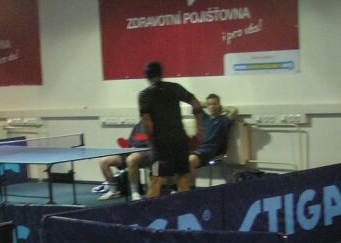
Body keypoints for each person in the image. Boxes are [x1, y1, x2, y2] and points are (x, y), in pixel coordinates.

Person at [138, 61, 203, 195]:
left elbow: (148, 123)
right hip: (180, 140)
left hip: (161, 143)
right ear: (162, 74)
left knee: (156, 178)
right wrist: (198, 128)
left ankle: (151, 207)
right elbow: (196, 104)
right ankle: (184, 206)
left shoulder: (144, 95)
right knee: (183, 176)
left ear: (146, 76)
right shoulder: (175, 87)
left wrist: (151, 141)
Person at [188, 94, 237, 187]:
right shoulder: (205, 118)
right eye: (210, 105)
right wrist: (206, 104)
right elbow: (195, 104)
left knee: (190, 161)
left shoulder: (224, 120)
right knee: (176, 158)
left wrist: (222, 108)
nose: (212, 106)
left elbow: (234, 110)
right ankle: (174, 188)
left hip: (213, 150)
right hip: (200, 148)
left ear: (219, 105)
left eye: (215, 104)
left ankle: (191, 190)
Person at [98, 122, 154, 201]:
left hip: (147, 153)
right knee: (103, 161)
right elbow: (131, 141)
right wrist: (128, 145)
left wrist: (138, 145)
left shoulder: (155, 126)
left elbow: (154, 143)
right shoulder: (137, 126)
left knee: (131, 159)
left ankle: (135, 193)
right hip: (130, 152)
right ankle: (114, 191)